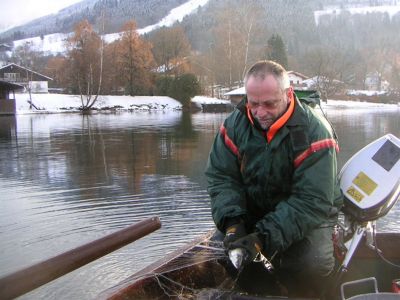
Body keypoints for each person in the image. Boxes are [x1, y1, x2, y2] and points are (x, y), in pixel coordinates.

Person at [205, 60, 342, 297]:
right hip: (256, 209)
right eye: (253, 103)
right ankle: (266, 292)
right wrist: (233, 223)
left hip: (311, 216)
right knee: (223, 250)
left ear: (288, 94)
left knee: (313, 262)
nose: (260, 113)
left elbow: (311, 201)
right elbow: (222, 178)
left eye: (269, 104)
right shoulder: (234, 125)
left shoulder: (316, 132)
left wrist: (263, 238)